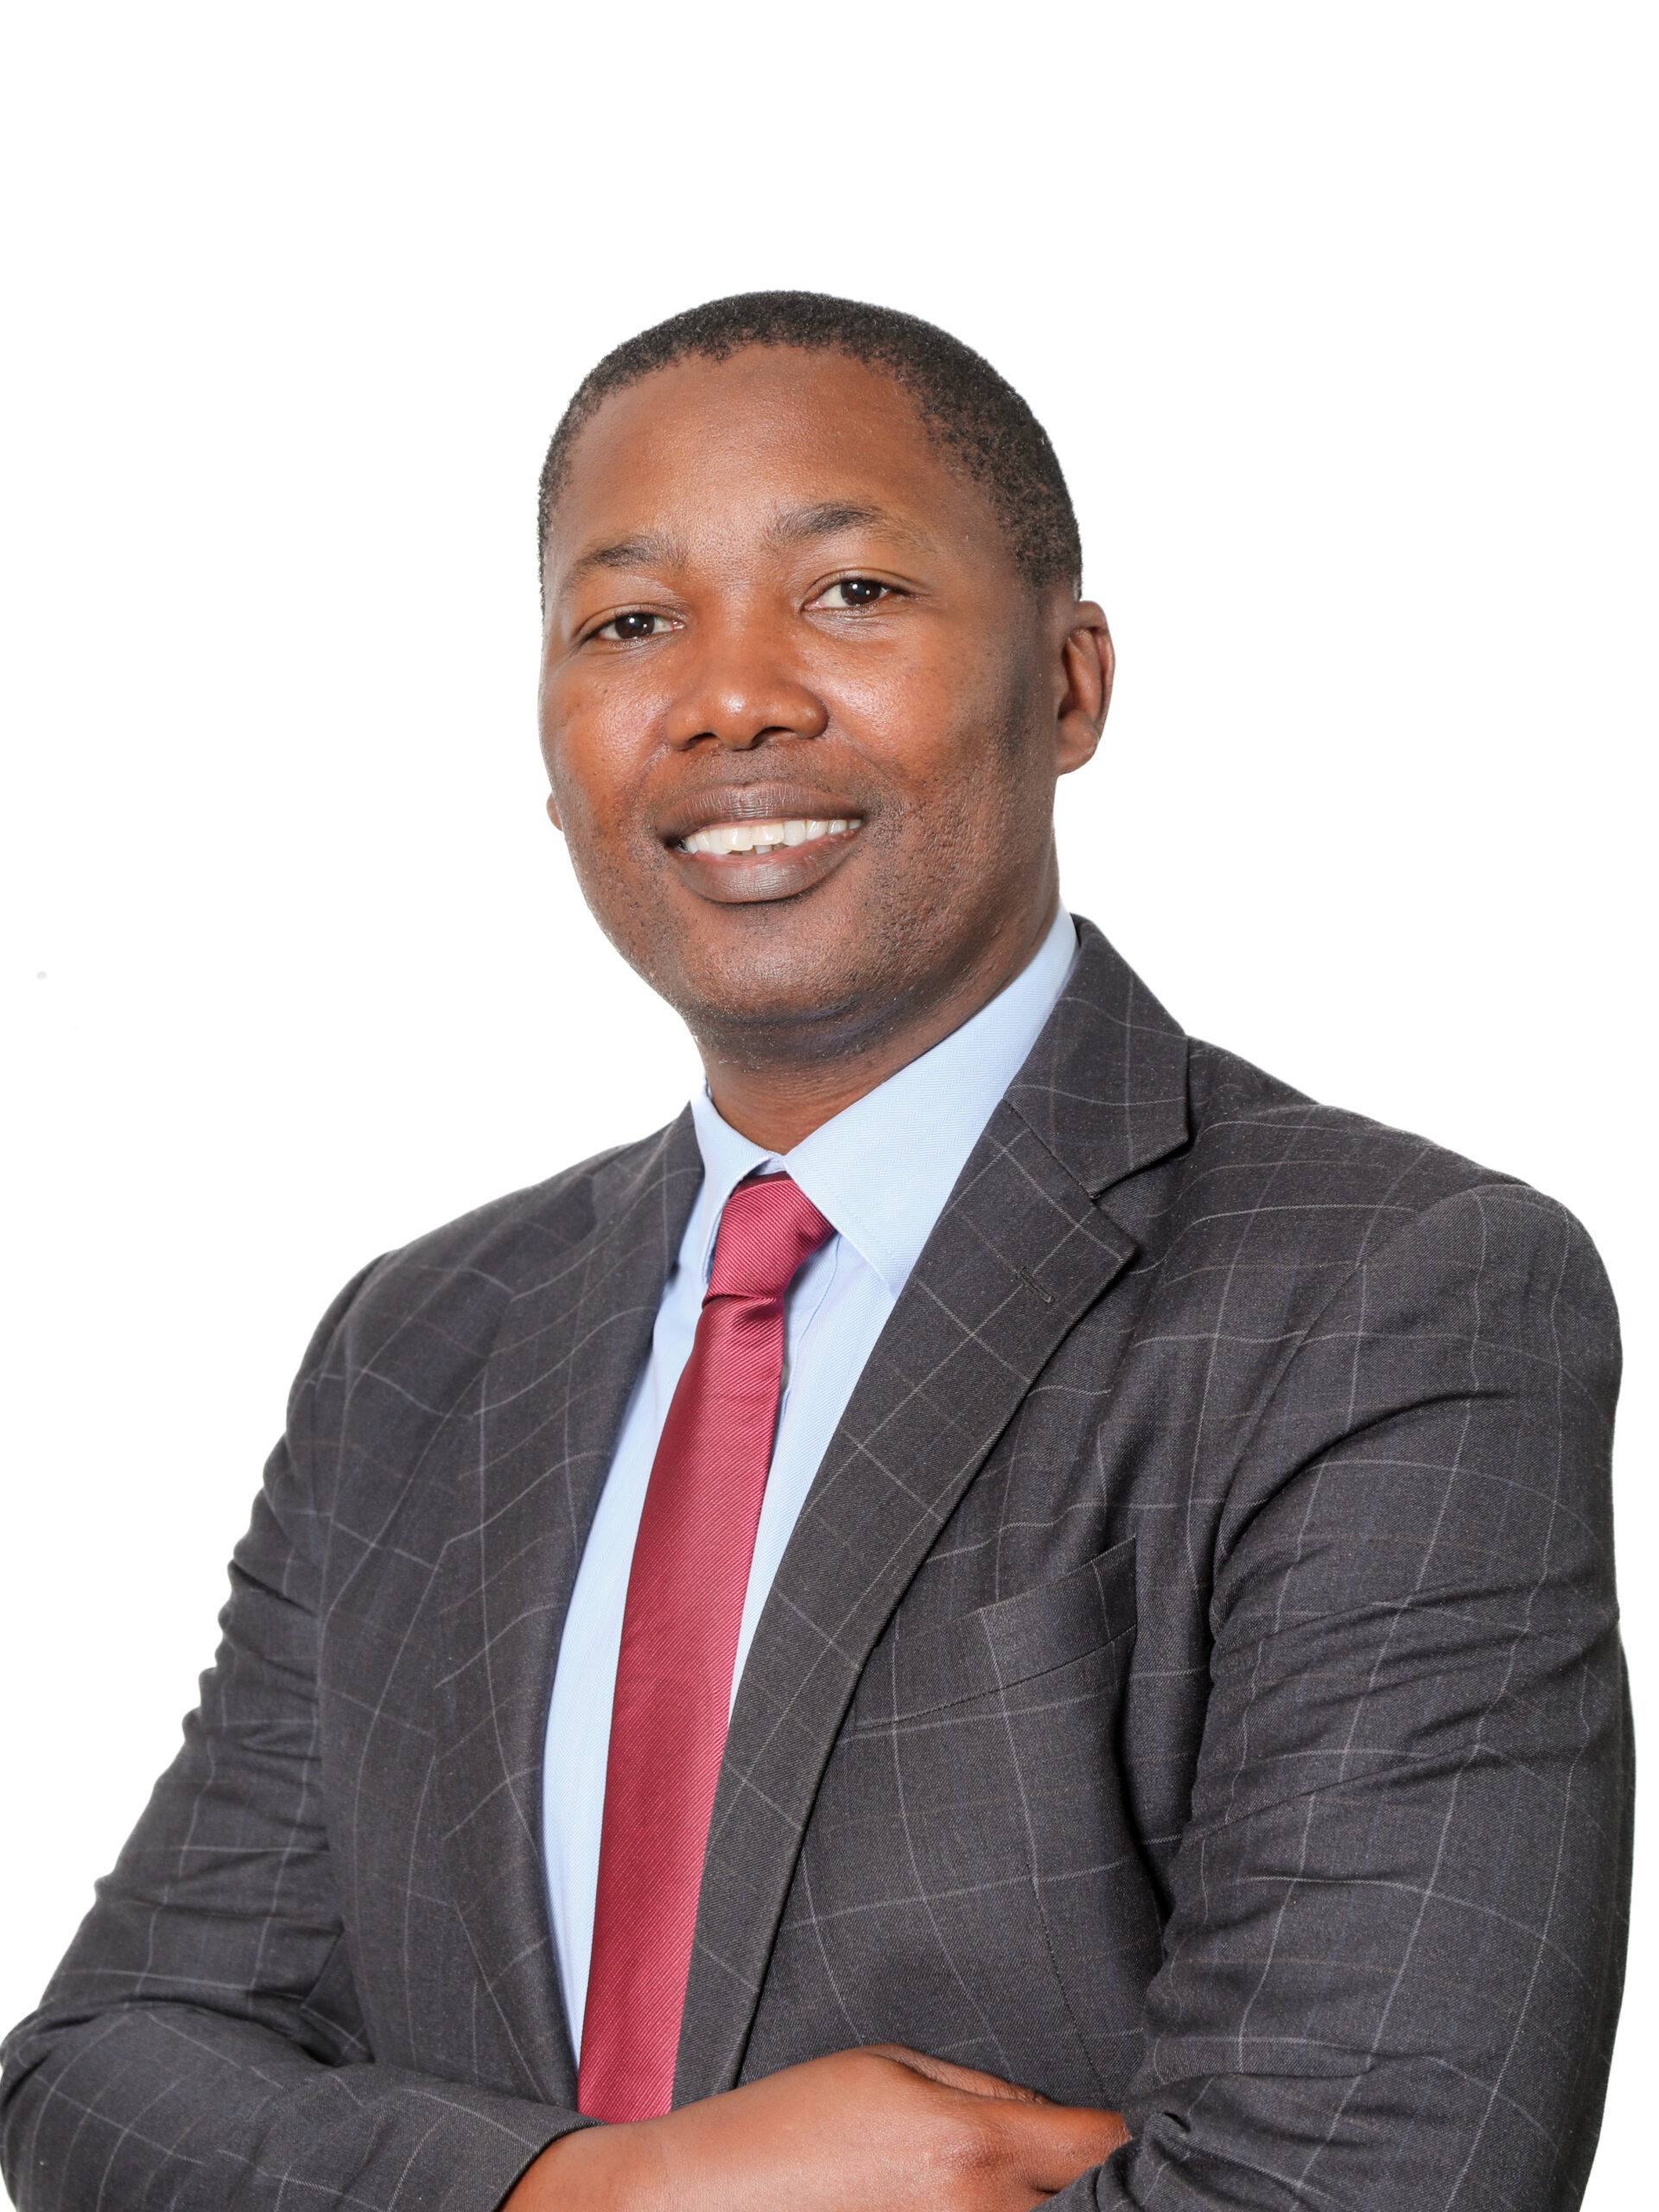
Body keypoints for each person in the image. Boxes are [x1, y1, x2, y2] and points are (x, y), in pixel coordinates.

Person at [0, 292, 1630, 2212]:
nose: (732, 699)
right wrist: (602, 2193)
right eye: (630, 622)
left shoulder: (1392, 1297)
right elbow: (106, 2075)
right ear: (548, 744)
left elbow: (1363, 2186)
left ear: (1072, 685)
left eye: (851, 593)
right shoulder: (421, 1344)